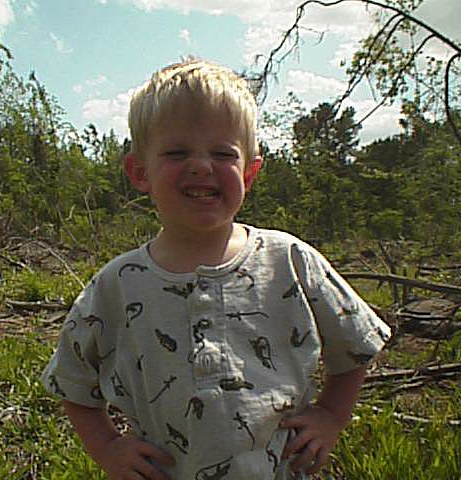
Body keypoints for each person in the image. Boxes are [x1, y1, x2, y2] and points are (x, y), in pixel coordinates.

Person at [41, 58, 391, 480]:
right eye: (176, 152)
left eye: (223, 153)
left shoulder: (290, 260)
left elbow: (355, 346)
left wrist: (332, 415)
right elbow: (72, 380)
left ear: (250, 171)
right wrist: (109, 448)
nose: (202, 166)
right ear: (140, 172)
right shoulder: (117, 284)